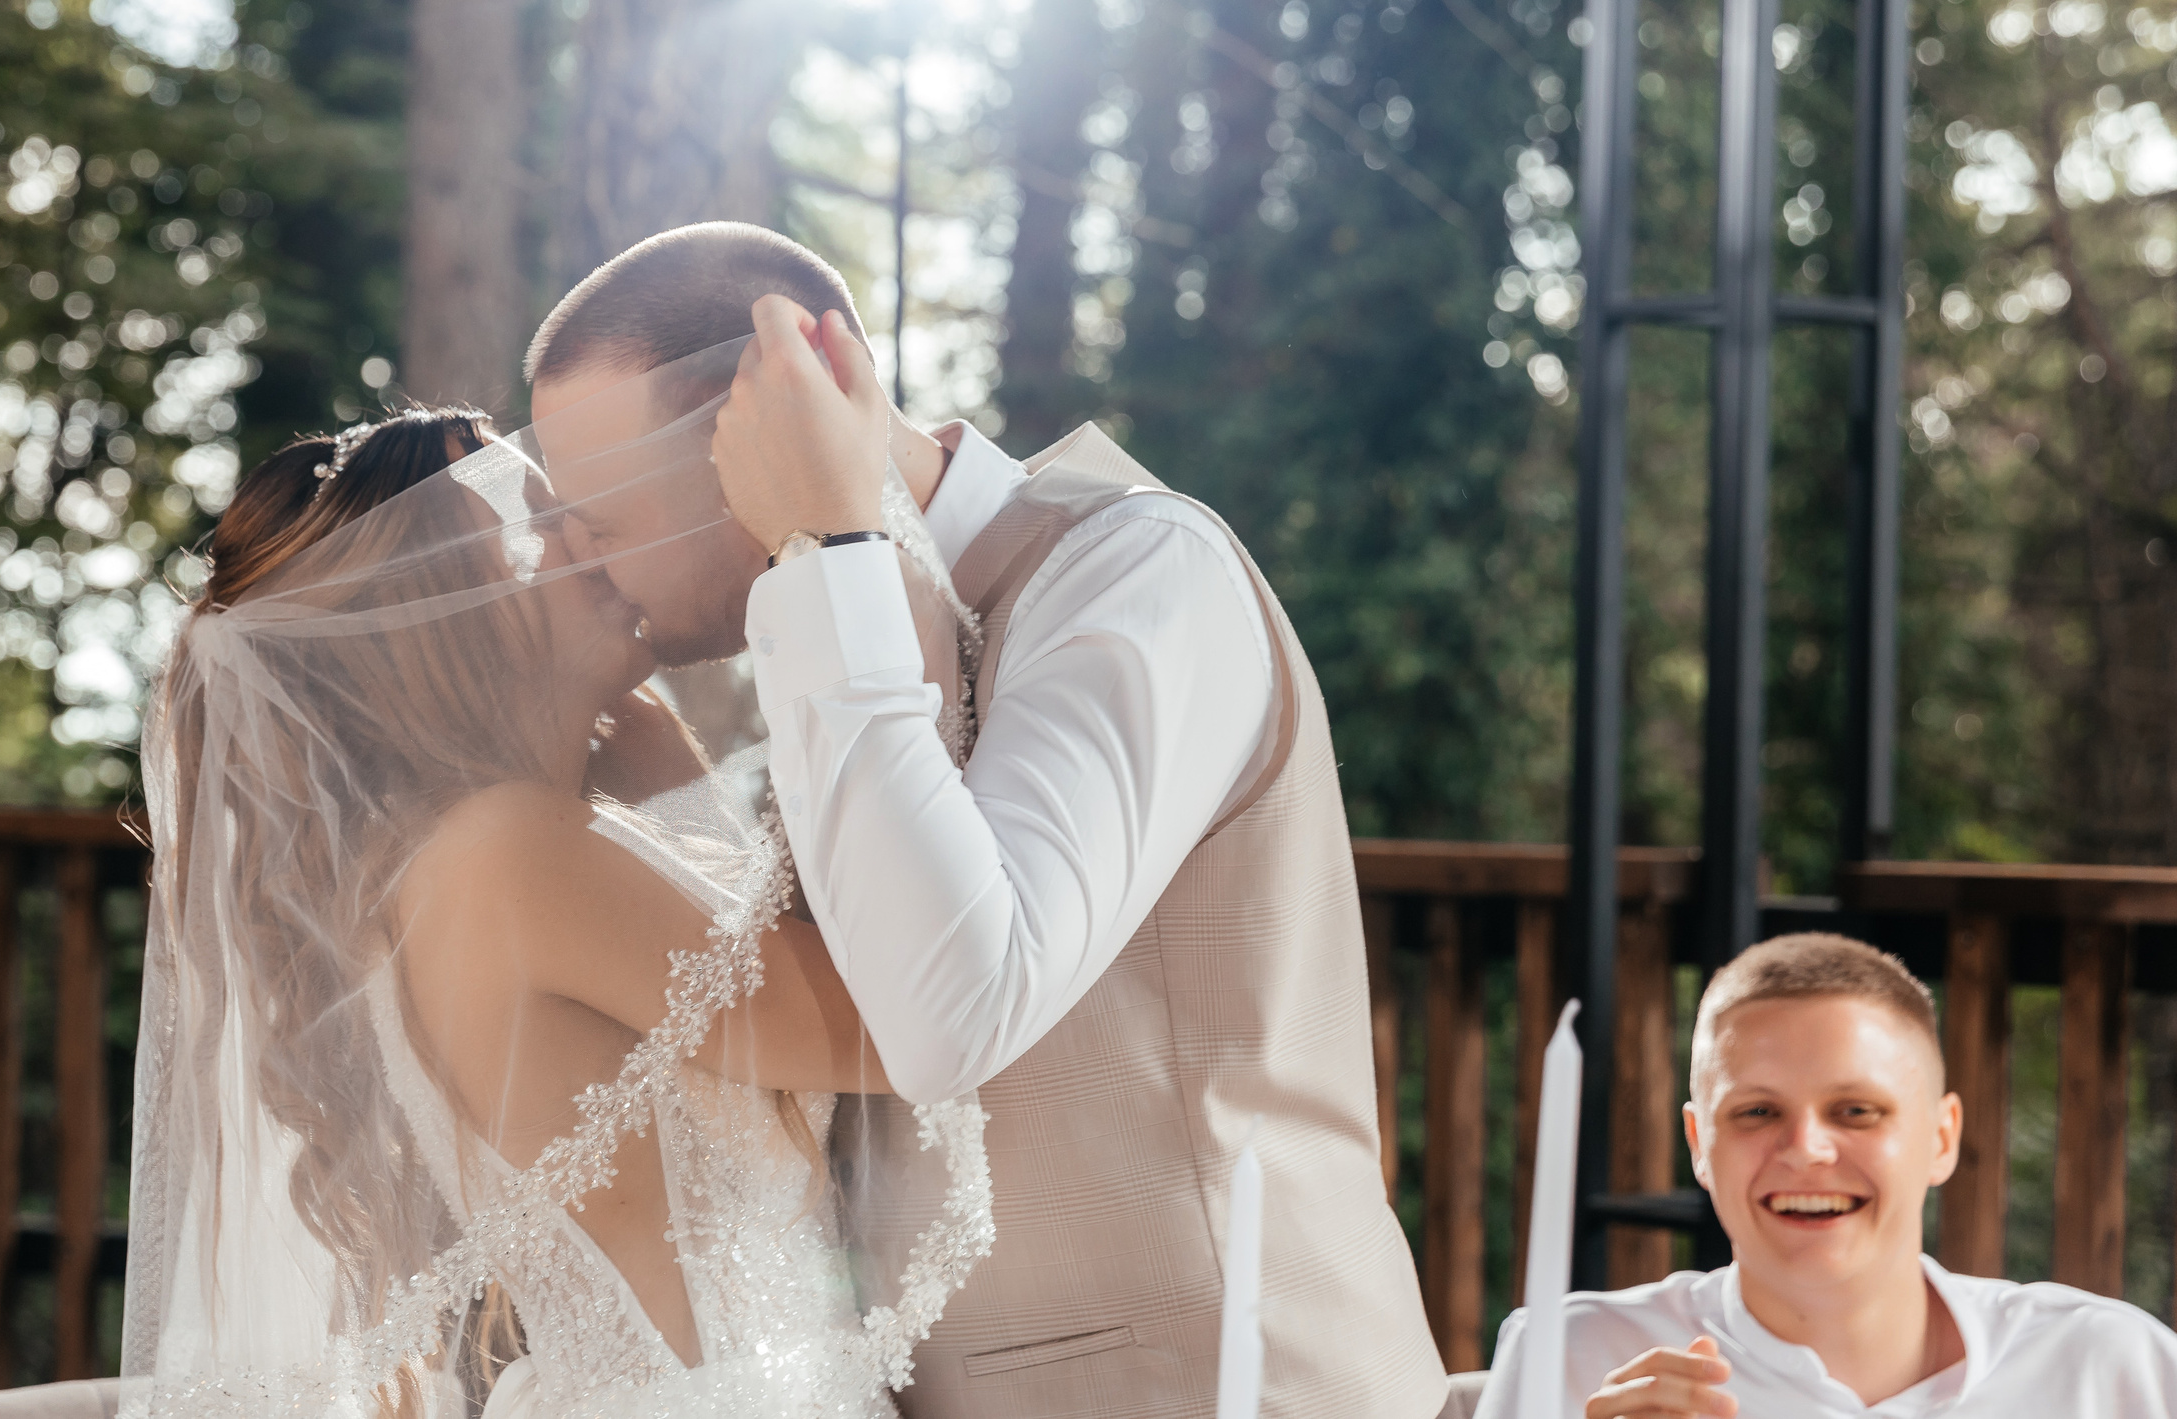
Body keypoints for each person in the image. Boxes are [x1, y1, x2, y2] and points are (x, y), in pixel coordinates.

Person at [528, 222, 1447, 1419]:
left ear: (798, 396)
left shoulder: (1138, 569)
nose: (583, 565)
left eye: (607, 518)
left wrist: (832, 541)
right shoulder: (817, 638)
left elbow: (958, 1007)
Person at [120, 380, 993, 1419]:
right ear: (449, 614)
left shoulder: (455, 857)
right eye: (540, 529)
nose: (591, 538)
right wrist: (695, 802)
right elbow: (898, 1025)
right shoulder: (508, 854)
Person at [1480, 932, 2177, 1417]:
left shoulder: (2114, 1367)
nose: (1806, 1147)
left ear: (1941, 1137)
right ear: (1699, 1143)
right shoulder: (1570, 1357)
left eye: (1856, 1109)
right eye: (1756, 1110)